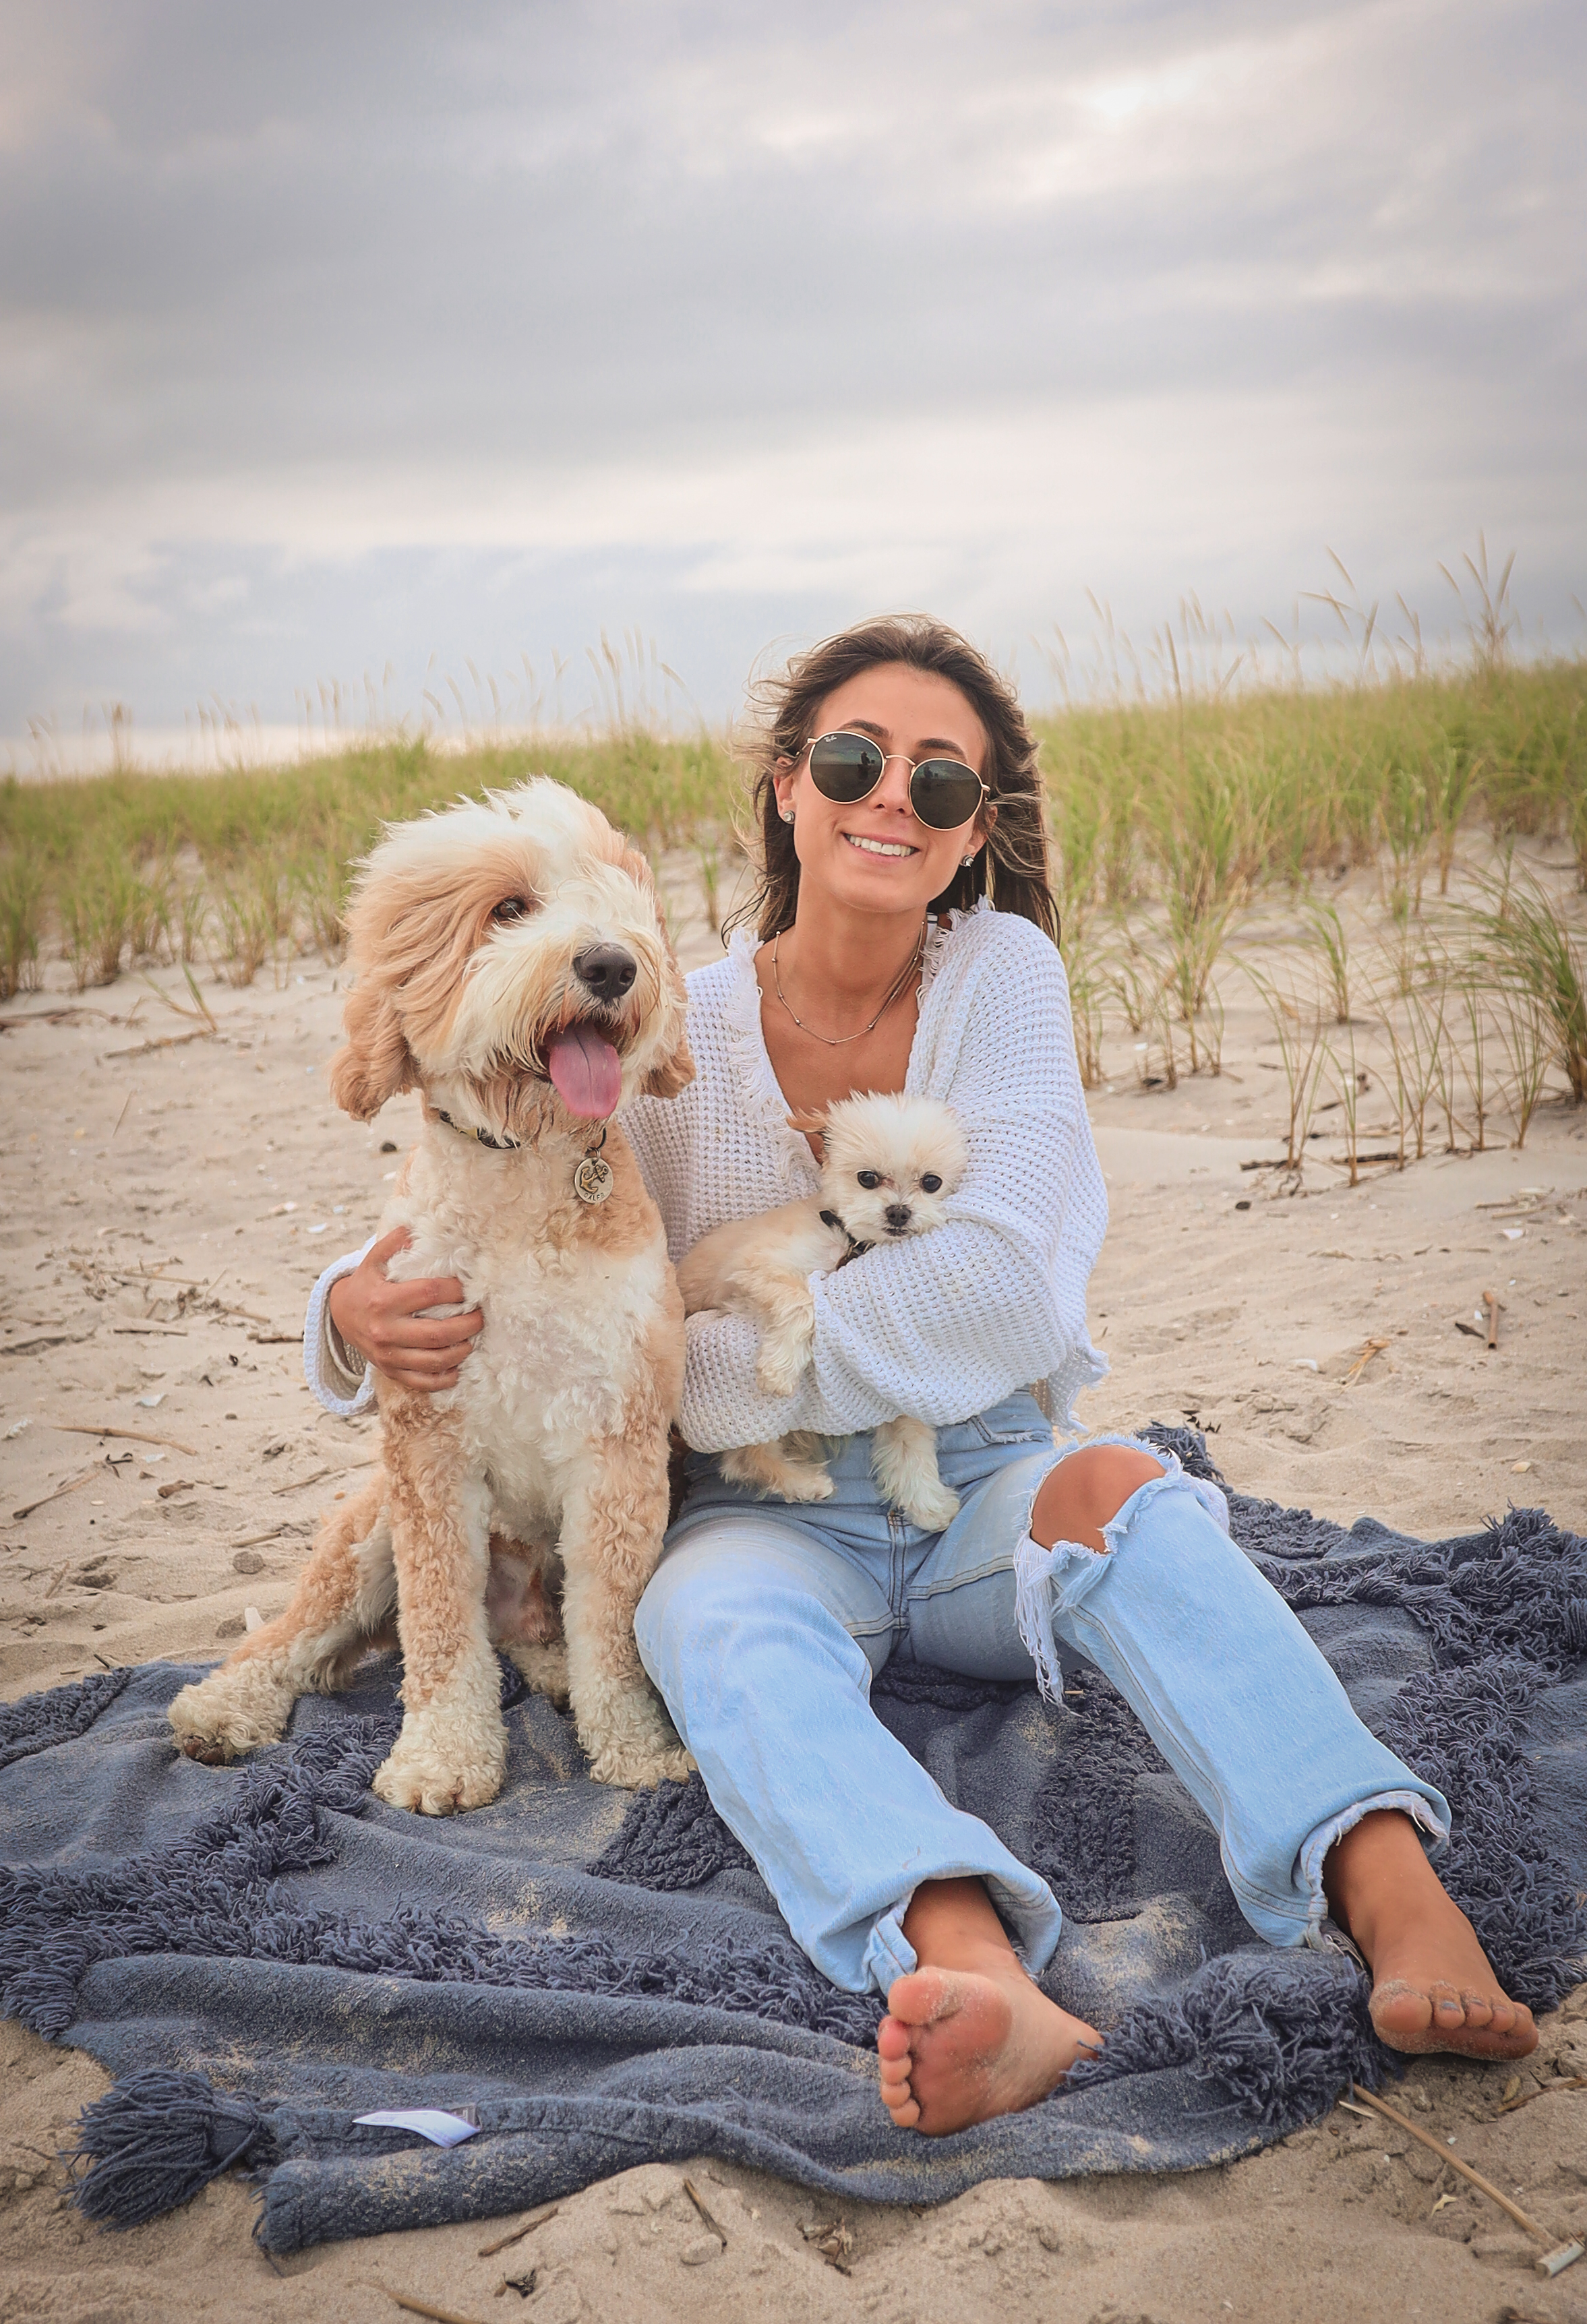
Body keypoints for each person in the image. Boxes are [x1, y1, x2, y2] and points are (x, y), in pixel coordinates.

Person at [307, 615, 1538, 2137]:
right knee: (697, 1614)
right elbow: (485, 1214)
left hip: (971, 1480)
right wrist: (347, 1305)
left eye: (939, 785)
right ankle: (965, 1962)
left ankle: (1382, 1878)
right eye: (850, 758)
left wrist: (682, 1378)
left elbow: (1008, 1291)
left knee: (1141, 1498)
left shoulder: (1000, 976)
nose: (889, 797)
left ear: (969, 841)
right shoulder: (647, 1010)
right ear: (784, 789)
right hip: (767, 1520)